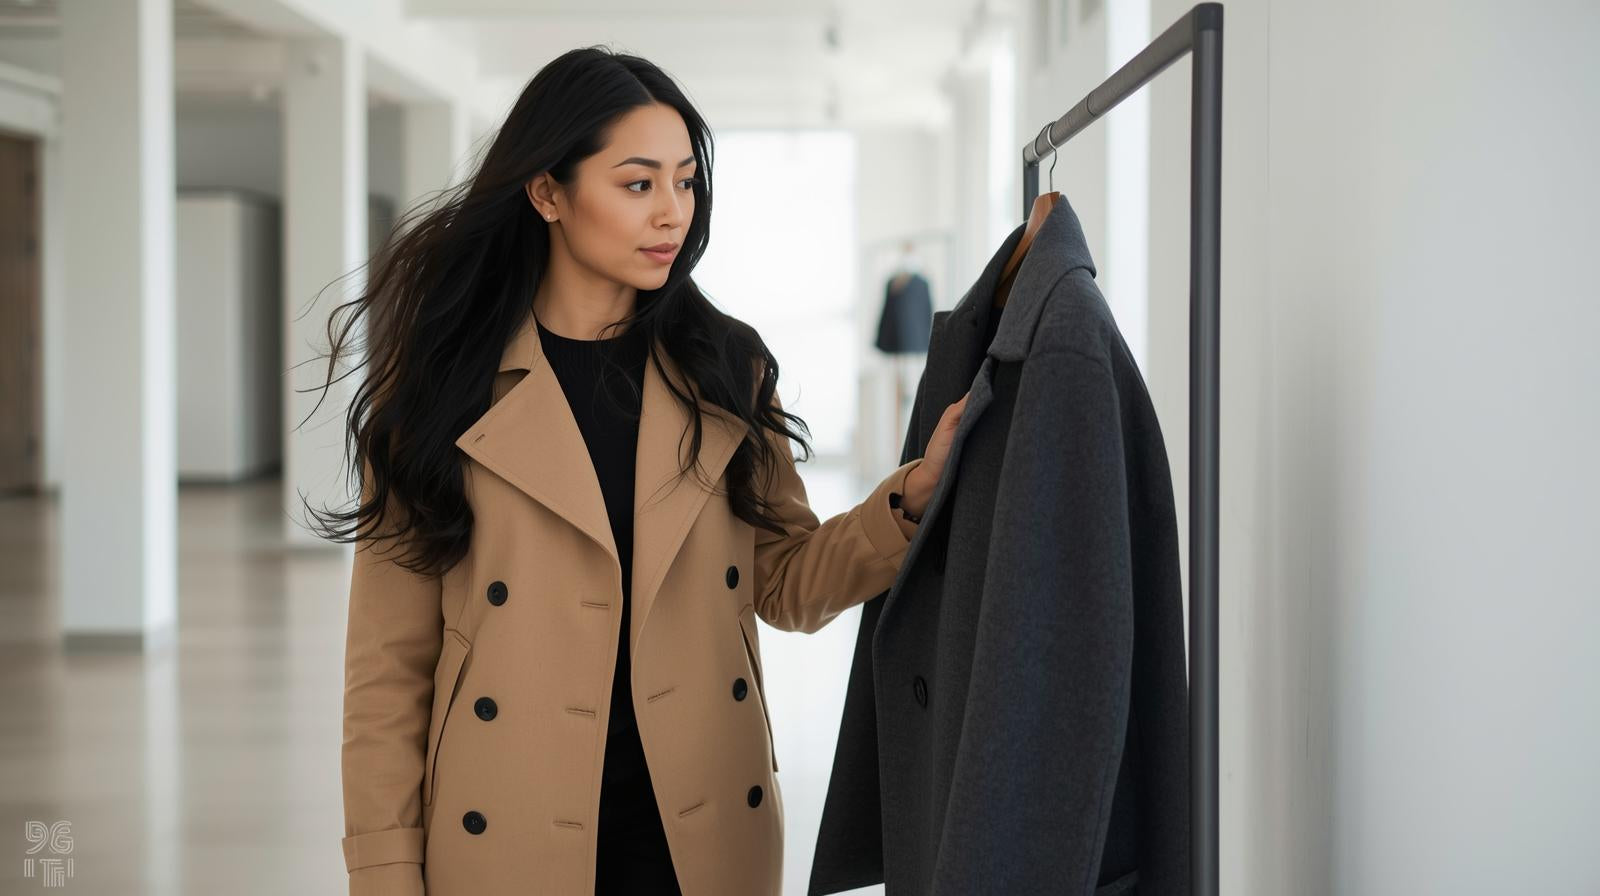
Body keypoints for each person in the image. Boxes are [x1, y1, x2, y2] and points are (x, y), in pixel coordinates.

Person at [304, 46, 968, 896]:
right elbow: (386, 675)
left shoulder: (725, 368)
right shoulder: (440, 394)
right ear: (548, 192)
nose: (673, 213)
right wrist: (387, 875)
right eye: (637, 183)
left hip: (700, 827)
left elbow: (788, 580)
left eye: (686, 182)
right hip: (507, 836)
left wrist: (907, 499)